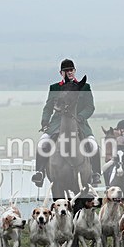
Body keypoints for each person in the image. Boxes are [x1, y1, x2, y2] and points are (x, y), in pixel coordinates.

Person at [31, 58, 102, 187]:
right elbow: (48, 107)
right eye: (66, 71)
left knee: (93, 145)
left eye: (71, 70)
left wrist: (80, 117)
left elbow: (90, 107)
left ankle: (95, 173)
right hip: (57, 124)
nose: (69, 72)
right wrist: (45, 121)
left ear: (74, 71)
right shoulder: (55, 87)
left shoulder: (84, 87)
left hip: (80, 123)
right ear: (61, 73)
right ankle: (39, 172)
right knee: (42, 144)